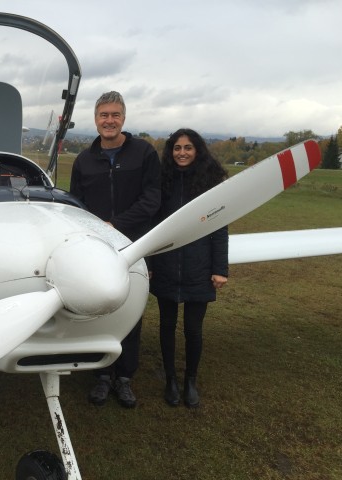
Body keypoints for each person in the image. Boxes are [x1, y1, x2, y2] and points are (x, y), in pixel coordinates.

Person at [69, 91, 161, 408]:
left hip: (134, 244)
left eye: (115, 115)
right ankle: (101, 375)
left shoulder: (144, 154)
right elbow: (76, 207)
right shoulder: (83, 160)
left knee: (130, 309)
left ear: (124, 118)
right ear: (96, 120)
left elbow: (152, 200)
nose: (109, 121)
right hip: (96, 247)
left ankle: (124, 377)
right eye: (103, 115)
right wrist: (96, 231)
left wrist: (116, 224)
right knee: (98, 304)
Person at [148, 128, 229, 408]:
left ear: (198, 151)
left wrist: (220, 268)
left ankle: (190, 380)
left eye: (188, 148)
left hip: (198, 266)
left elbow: (219, 228)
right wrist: (149, 263)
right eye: (177, 148)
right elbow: (153, 228)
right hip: (166, 265)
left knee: (193, 329)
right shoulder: (163, 181)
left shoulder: (210, 184)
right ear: (171, 152)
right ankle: (170, 379)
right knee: (167, 326)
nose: (182, 153)